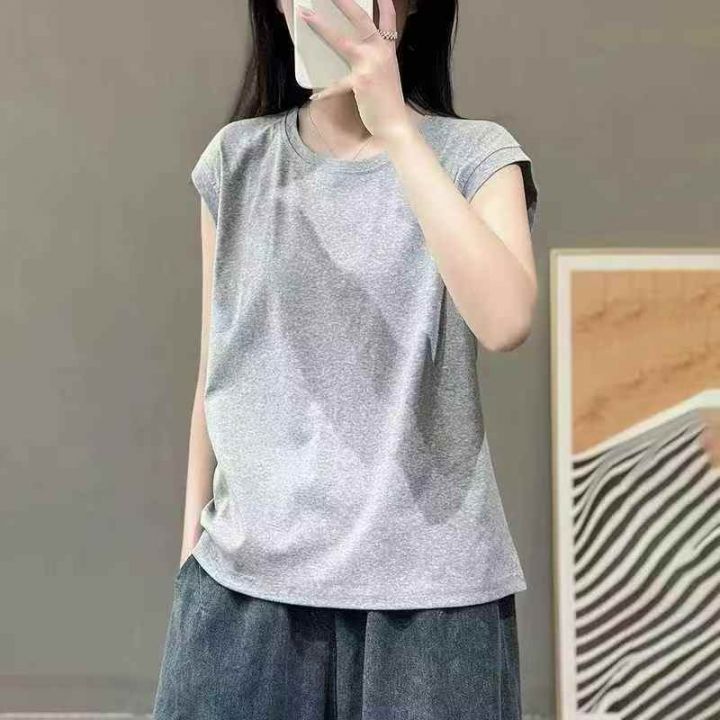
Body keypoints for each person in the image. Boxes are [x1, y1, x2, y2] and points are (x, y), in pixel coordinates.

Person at [152, 0, 539, 717]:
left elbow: (507, 320)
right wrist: (189, 564)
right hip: (243, 593)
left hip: (432, 602)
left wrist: (397, 129)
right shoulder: (237, 161)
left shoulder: (476, 155)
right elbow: (218, 371)